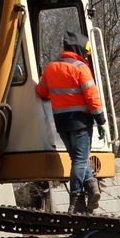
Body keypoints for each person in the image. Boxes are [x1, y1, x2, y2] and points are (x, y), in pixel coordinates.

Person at [35, 30, 106, 212]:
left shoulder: (51, 68)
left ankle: (91, 185)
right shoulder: (80, 68)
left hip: (61, 122)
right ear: (80, 49)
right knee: (81, 161)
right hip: (81, 121)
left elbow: (42, 92)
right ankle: (75, 200)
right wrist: (100, 119)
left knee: (76, 158)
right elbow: (91, 96)